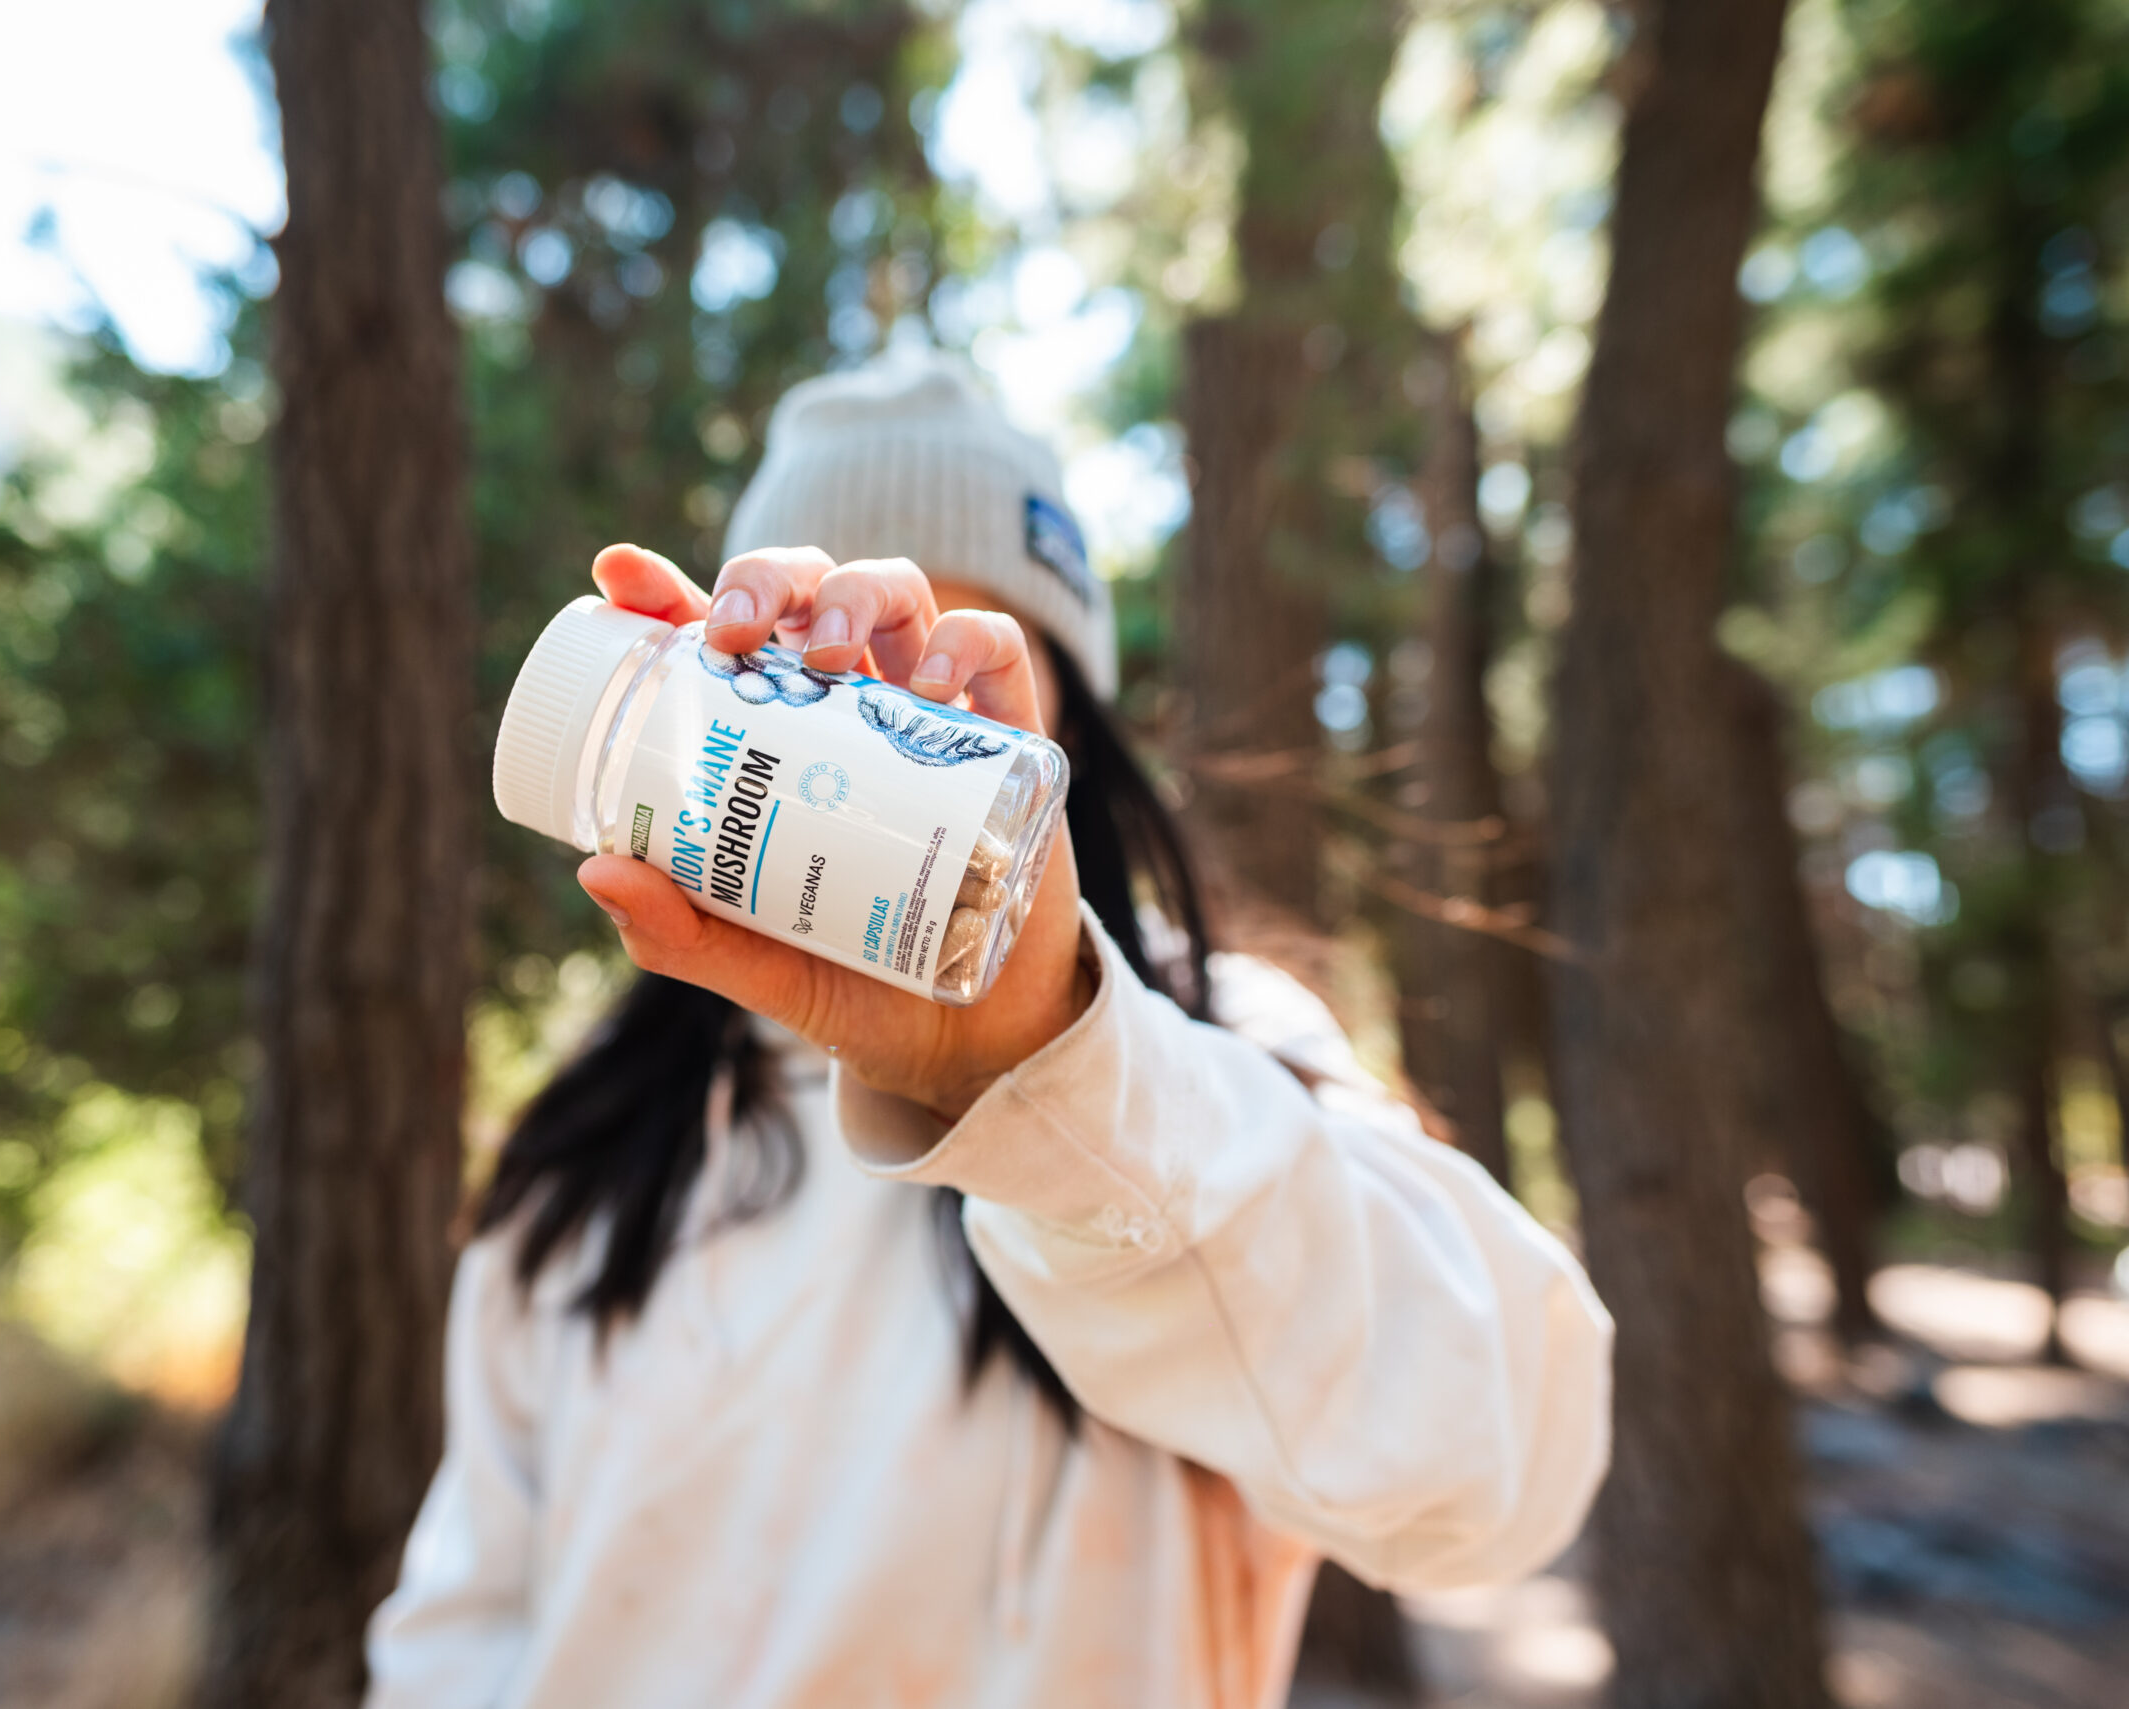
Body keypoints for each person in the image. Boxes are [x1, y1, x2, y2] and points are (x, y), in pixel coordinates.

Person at [366, 355, 1612, 1708]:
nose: (900, 721)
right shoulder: (597, 1146)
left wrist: (1059, 1083)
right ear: (727, 684)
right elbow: (463, 1623)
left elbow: (1512, 1471)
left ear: (1063, 726)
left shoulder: (1219, 1059)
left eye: (965, 661)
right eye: (847, 675)